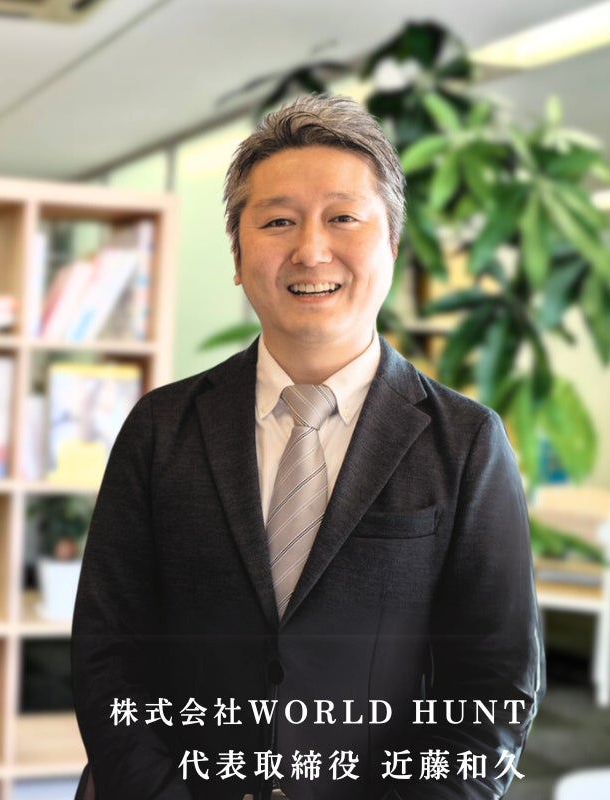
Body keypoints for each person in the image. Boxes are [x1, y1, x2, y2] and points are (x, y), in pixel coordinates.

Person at [71, 94, 544, 800]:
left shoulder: (466, 442)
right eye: (278, 221)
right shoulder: (162, 427)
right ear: (238, 257)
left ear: (391, 246)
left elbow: (495, 688)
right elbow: (107, 652)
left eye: (343, 218)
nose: (311, 250)